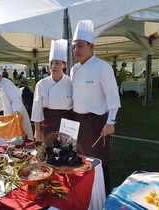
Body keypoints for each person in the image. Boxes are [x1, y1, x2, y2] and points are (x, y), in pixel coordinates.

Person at [70, 20, 121, 195]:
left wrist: (110, 121)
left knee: (100, 162)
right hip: (78, 121)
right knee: (80, 159)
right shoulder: (74, 69)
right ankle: (85, 193)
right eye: (74, 47)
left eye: (80, 46)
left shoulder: (103, 67)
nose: (76, 50)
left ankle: (104, 195)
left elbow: (113, 96)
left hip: (97, 122)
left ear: (91, 46)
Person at [31, 39, 73, 142]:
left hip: (68, 122)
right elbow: (37, 108)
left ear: (64, 65)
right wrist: (37, 130)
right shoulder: (42, 84)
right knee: (49, 151)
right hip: (49, 121)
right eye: (51, 63)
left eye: (57, 63)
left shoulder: (71, 82)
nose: (53, 66)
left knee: (68, 151)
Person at [0, 63, 33, 140]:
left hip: (17, 115)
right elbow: (0, 103)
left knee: (22, 135)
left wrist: (16, 112)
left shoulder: (6, 83)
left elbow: (16, 99)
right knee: (12, 137)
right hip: (9, 116)